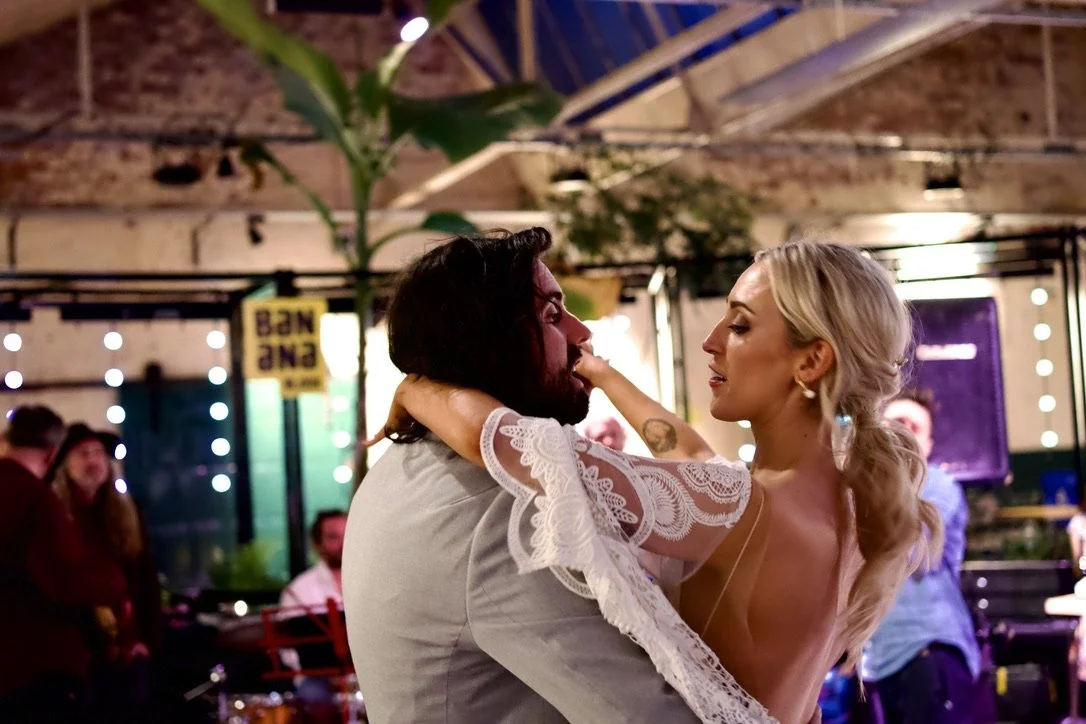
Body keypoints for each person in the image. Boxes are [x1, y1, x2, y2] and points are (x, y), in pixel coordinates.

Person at [369, 238, 942, 724]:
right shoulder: (841, 502)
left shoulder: (740, 507)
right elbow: (681, 448)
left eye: (739, 325)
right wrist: (598, 370)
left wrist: (415, 388)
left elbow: (512, 446)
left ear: (811, 362)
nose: (712, 340)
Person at [342, 228, 702, 723]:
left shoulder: (398, 471)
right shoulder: (500, 509)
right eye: (553, 315)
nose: (582, 334)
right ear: (492, 341)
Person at [0, 407, 127, 721]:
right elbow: (64, 582)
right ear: (52, 455)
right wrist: (112, 588)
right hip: (35, 666)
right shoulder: (38, 501)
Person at [860, 390, 981, 722]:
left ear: (927, 446)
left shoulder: (938, 485)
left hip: (929, 652)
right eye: (895, 424)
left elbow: (912, 552)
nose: (902, 432)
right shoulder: (861, 490)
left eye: (912, 427)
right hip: (879, 659)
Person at [50, 423, 160, 722]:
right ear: (64, 464)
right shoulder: (54, 516)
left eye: (99, 453)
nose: (94, 461)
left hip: (127, 649)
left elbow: (145, 581)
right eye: (83, 454)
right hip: (78, 653)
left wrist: (145, 641)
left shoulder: (124, 513)